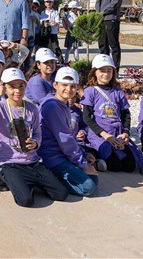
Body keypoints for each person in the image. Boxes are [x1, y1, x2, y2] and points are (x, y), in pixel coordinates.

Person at [0, 68, 68, 207]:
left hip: (32, 161)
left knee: (61, 194)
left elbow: (38, 132)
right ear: (4, 88)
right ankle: (3, 177)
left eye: (21, 86)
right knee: (25, 200)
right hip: (11, 162)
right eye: (12, 87)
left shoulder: (32, 109)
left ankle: (26, 181)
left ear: (26, 86)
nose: (17, 91)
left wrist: (35, 143)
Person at [81, 55, 143, 176]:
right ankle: (95, 160)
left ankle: (141, 162)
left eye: (109, 70)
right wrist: (105, 135)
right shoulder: (90, 91)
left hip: (117, 133)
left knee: (129, 167)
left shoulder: (118, 91)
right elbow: (87, 118)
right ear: (95, 72)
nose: (106, 74)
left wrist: (125, 132)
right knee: (115, 166)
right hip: (100, 134)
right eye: (102, 70)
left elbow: (126, 115)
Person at [38, 67, 99, 197]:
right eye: (64, 85)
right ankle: (45, 180)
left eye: (72, 86)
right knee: (89, 187)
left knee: (93, 179)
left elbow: (70, 136)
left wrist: (83, 153)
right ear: (55, 85)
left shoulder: (63, 104)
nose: (68, 89)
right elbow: (65, 140)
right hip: (51, 157)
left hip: (61, 154)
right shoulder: (52, 106)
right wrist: (83, 164)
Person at [95, 0, 125, 70]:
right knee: (102, 44)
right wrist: (98, 12)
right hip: (101, 19)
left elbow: (115, 3)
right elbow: (98, 0)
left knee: (114, 45)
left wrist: (103, 12)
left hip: (111, 19)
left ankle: (115, 69)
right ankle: (105, 66)